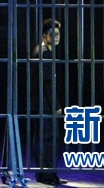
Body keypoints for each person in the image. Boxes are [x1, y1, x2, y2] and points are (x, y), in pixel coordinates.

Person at [30, 19, 66, 186]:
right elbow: (46, 83)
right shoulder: (44, 52)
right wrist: (56, 106)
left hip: (40, 102)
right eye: (53, 34)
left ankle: (46, 174)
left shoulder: (41, 50)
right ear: (45, 35)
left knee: (44, 139)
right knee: (48, 139)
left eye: (58, 34)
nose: (56, 37)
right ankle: (48, 175)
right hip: (45, 104)